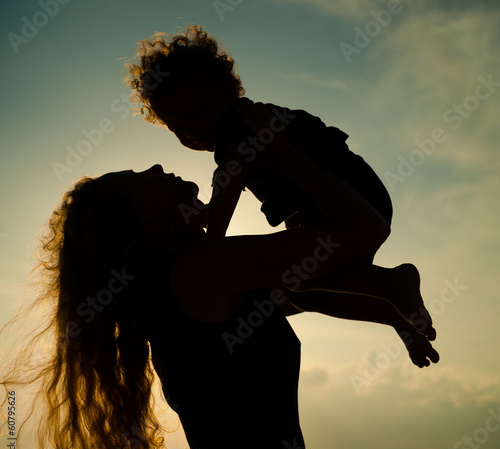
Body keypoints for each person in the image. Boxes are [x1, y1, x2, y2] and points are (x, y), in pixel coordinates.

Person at [1, 123, 395, 449]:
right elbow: (366, 229)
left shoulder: (185, 283)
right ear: (146, 223)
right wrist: (282, 154)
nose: (156, 167)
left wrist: (393, 307)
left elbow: (304, 293)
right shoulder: (198, 270)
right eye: (141, 176)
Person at [126, 25, 439, 369]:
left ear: (228, 91)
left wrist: (212, 240)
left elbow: (227, 186)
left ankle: (393, 284)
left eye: (195, 115)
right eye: (178, 129)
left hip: (350, 196)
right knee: (302, 288)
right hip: (352, 198)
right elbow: (264, 196)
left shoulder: (238, 124)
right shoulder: (242, 128)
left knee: (300, 279)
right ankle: (395, 310)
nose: (191, 131)